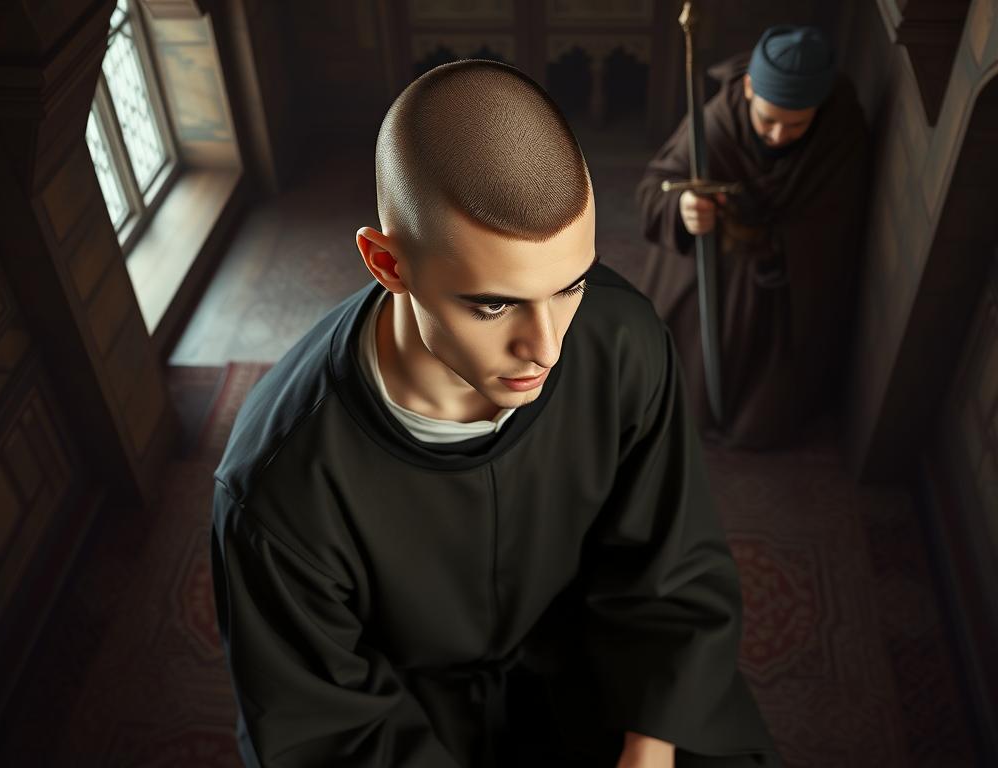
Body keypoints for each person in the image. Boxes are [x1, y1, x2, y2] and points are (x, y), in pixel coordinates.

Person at [211, 59, 777, 767]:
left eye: (569, 286)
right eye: (493, 303)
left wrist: (649, 743)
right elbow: (321, 725)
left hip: (599, 664)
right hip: (408, 722)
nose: (546, 346)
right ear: (388, 265)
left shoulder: (623, 341)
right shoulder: (276, 487)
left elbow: (669, 566)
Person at [637, 26, 869, 449]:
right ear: (748, 88)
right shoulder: (718, 123)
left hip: (782, 281)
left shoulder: (841, 132)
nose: (778, 135)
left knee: (760, 425)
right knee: (683, 385)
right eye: (769, 119)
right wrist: (685, 208)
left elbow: (833, 224)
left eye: (796, 124)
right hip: (713, 261)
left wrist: (772, 243)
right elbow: (655, 187)